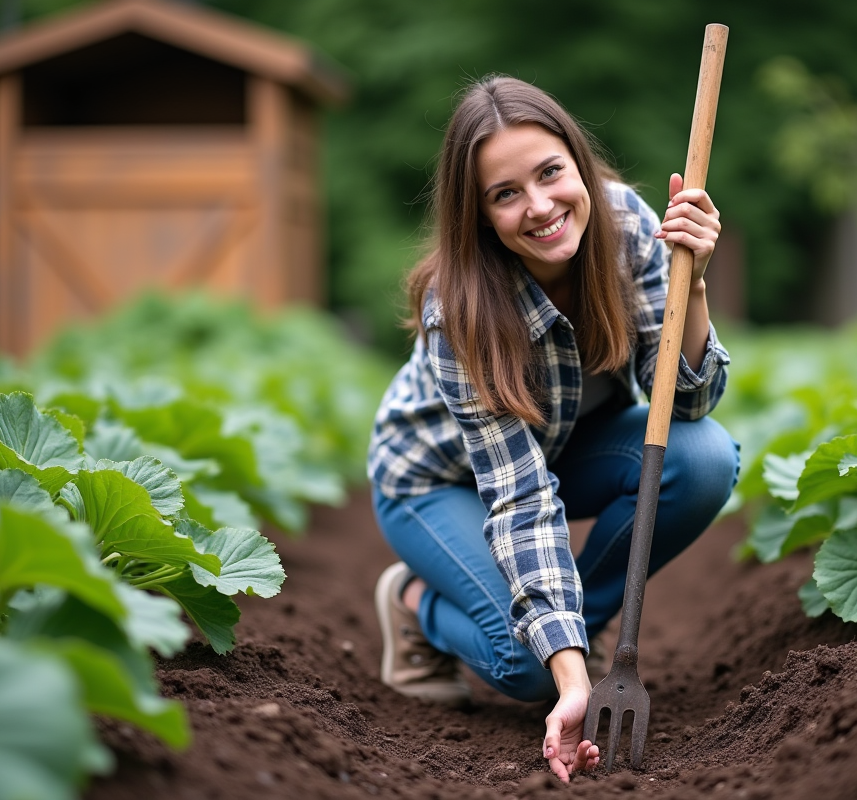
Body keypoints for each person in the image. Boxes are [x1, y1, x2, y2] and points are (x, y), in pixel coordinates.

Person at [367, 75, 739, 784]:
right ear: (478, 215)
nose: (539, 207)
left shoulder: (630, 226)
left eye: (549, 174)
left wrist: (693, 281)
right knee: (528, 672)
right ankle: (412, 602)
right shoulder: (464, 310)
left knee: (704, 461)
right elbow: (522, 500)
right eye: (506, 194)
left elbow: (685, 408)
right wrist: (568, 678)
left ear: (577, 161)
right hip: (439, 482)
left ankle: (575, 638)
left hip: (564, 444)